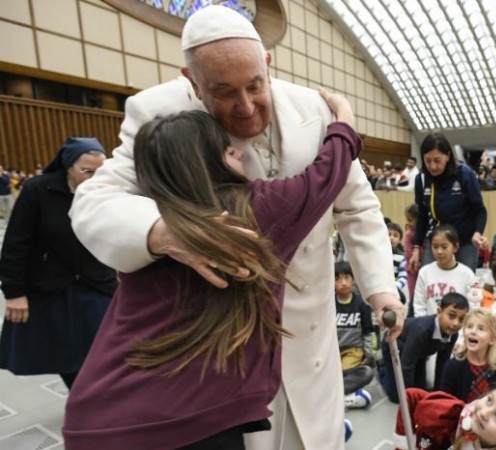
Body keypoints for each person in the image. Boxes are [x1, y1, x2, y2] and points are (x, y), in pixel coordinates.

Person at [68, 6, 403, 449]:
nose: (245, 108)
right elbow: (93, 203)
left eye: (254, 86)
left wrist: (379, 287)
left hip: (308, 334)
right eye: (223, 92)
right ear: (191, 79)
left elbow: (355, 206)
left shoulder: (313, 108)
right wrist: (170, 233)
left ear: (267, 62)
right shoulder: (155, 111)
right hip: (215, 352)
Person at [63, 94, 363, 448]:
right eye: (225, 150)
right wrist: (343, 121)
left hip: (98, 414)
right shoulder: (254, 211)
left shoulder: (151, 220)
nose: (238, 152)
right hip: (182, 425)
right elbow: (325, 175)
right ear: (201, 165)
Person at [0, 138, 115, 390]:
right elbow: (16, 244)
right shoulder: (38, 190)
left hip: (96, 283)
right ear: (68, 167)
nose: (95, 177)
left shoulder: (107, 190)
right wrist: (14, 293)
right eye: (87, 171)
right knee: (67, 356)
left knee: (107, 350)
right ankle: (83, 403)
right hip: (52, 286)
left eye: (100, 171)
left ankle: (93, 401)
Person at [410, 133, 487, 272]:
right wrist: (417, 247)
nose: (433, 166)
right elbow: (422, 215)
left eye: (437, 160)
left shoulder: (465, 174)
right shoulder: (421, 180)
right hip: (436, 241)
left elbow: (480, 210)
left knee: (464, 288)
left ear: (448, 156)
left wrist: (477, 232)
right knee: (430, 285)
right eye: (428, 161)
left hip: (465, 242)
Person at [393, 382, 496, 450]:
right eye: (489, 400)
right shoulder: (451, 415)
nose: (484, 413)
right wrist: (404, 444)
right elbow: (411, 396)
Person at [379, 293, 469, 403]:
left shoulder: (452, 333)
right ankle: (382, 368)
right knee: (398, 397)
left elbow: (442, 364)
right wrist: (409, 399)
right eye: (451, 316)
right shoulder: (422, 330)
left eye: (461, 319)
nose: (456, 323)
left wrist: (438, 395)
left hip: (419, 354)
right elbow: (406, 366)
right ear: (439, 312)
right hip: (394, 349)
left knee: (422, 392)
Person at [439, 308, 496, 401]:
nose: (473, 331)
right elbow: (443, 402)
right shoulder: (452, 366)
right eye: (469, 326)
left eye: (481, 329)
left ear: (493, 339)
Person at [412, 225, 479, 317]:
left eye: (444, 247)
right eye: (435, 247)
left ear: (455, 247)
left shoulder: (467, 274)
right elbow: (419, 306)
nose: (439, 251)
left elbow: (473, 307)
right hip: (430, 327)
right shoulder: (424, 272)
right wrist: (424, 327)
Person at [335, 261, 376, 410]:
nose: (343, 283)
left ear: (353, 279)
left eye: (347, 278)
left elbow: (368, 332)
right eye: (338, 279)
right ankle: (347, 397)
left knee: (367, 373)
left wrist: (369, 355)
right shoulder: (329, 303)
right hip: (333, 352)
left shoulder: (361, 304)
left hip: (353, 352)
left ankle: (333, 395)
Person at [403, 203, 420, 300]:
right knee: (413, 294)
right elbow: (408, 251)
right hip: (412, 269)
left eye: (411, 220)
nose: (409, 223)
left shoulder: (426, 233)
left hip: (423, 266)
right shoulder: (409, 234)